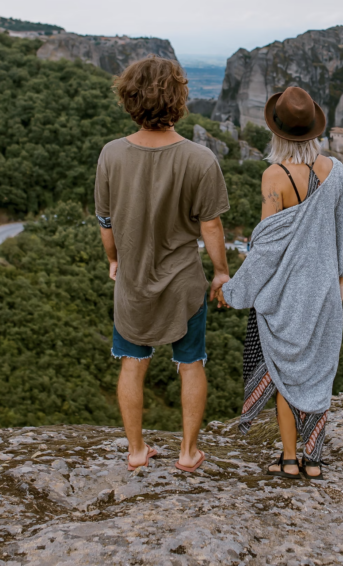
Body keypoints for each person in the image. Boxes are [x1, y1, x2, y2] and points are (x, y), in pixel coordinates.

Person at [95, 56, 230, 473]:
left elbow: (106, 223)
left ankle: (136, 451)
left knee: (132, 365)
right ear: (179, 98)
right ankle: (188, 454)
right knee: (191, 365)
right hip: (183, 284)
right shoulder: (200, 159)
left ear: (129, 98)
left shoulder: (111, 155)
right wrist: (222, 271)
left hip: (132, 282)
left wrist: (114, 260)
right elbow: (210, 226)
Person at [219, 86, 343, 480]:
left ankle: (290, 459)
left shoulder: (274, 176)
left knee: (283, 375)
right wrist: (338, 288)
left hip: (285, 295)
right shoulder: (337, 172)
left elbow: (265, 250)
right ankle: (314, 460)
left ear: (277, 131)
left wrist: (233, 291)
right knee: (317, 372)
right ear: (314, 129)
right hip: (326, 292)